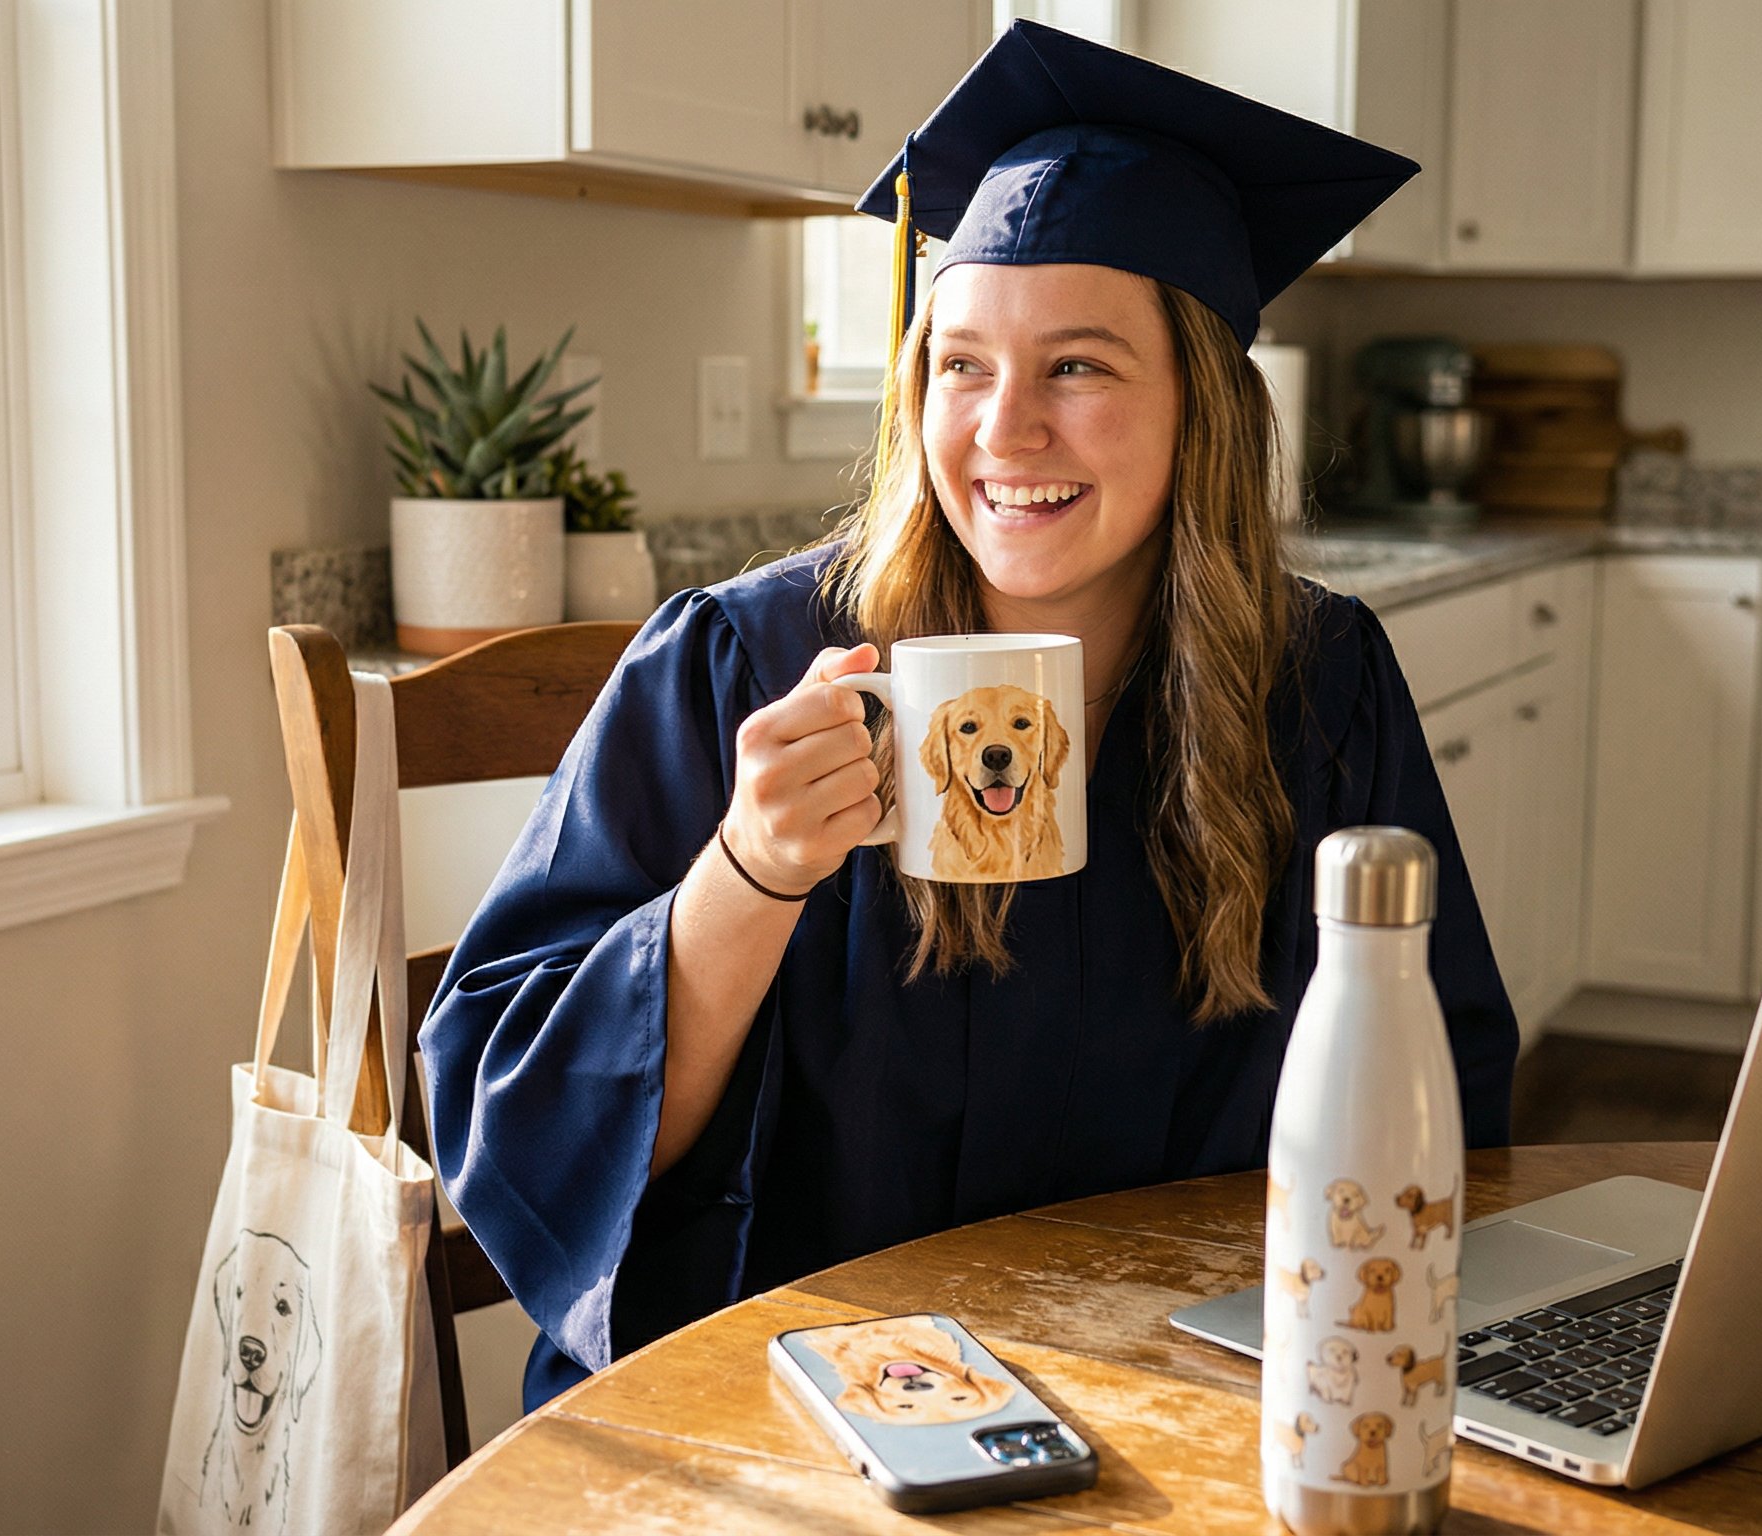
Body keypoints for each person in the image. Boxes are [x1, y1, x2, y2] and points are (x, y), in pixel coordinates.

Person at [418, 22, 1517, 1413]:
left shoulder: (1319, 684)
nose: (1003, 432)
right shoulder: (742, 662)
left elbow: (1440, 1085)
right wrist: (751, 874)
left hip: (1187, 1392)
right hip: (788, 1402)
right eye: (961, 365)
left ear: (1204, 408)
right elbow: (519, 1123)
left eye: (1079, 367)